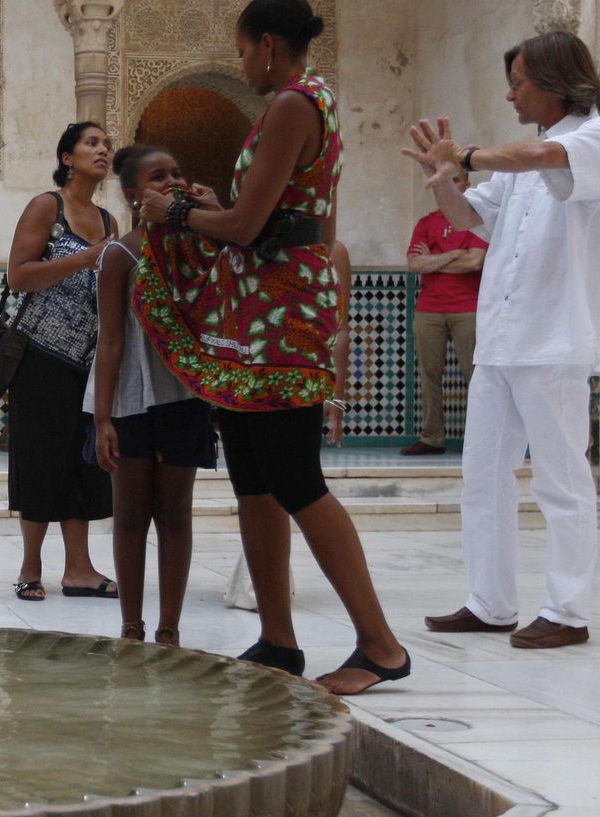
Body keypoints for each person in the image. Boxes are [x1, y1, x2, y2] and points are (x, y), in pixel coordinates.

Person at [133, 0, 409, 694]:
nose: (242, 62)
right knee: (254, 476)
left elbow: (250, 223)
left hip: (279, 314)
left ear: (266, 45)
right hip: (261, 307)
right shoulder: (308, 102)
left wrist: (181, 212)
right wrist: (207, 205)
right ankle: (278, 641)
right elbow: (266, 211)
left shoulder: (293, 103)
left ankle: (380, 647)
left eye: (243, 49)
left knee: (294, 477)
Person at [407, 31, 600, 649]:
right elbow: (463, 217)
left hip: (554, 342)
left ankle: (567, 610)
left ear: (559, 82)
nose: (511, 94)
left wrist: (469, 155)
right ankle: (491, 601)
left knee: (560, 479)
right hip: (500, 342)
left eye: (521, 82)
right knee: (482, 475)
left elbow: (546, 163)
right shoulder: (520, 157)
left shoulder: (599, 139)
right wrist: (443, 175)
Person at [90, 143, 220, 644]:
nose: (172, 182)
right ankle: (131, 624)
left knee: (175, 513)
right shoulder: (122, 254)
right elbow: (111, 338)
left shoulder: (202, 245)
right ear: (131, 195)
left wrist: (210, 214)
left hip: (185, 397)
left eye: (177, 173)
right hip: (131, 400)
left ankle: (169, 628)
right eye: (158, 176)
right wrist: (102, 418)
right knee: (129, 515)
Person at [2, 121, 119, 603]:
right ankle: (31, 567)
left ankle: (80, 570)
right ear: (67, 158)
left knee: (83, 463)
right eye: (92, 143)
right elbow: (19, 276)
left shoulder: (110, 221)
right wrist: (86, 257)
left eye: (107, 144)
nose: (103, 151)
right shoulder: (46, 207)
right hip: (40, 359)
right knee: (41, 460)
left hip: (88, 363)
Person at [402, 171, 485, 455]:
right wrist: (453, 255)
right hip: (429, 308)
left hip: (468, 308)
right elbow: (414, 264)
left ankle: (480, 439)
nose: (452, 187)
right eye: (446, 182)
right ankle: (431, 437)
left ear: (467, 184)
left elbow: (475, 262)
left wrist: (433, 260)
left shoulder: (477, 222)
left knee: (475, 374)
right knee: (429, 373)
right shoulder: (427, 223)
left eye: (457, 181)